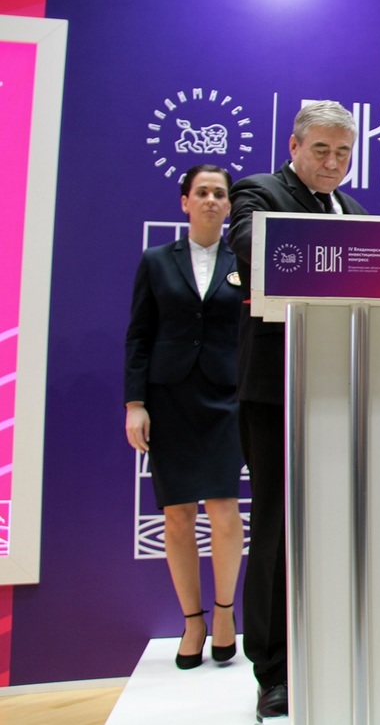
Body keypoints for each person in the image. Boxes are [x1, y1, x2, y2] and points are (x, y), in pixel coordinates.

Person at [228, 101, 368, 722]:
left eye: (343, 152)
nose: (333, 163)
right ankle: (274, 669)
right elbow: (252, 250)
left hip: (345, 389)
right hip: (276, 390)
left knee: (340, 525)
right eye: (322, 150)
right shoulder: (259, 192)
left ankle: (330, 650)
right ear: (294, 146)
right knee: (278, 528)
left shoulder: (357, 212)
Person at [124, 164, 245, 670]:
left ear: (229, 205)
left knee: (224, 508)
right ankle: (192, 621)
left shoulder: (243, 262)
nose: (212, 200)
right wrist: (135, 404)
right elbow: (139, 336)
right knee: (177, 514)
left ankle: (225, 613)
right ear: (185, 201)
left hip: (226, 398)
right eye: (203, 192)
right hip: (169, 397)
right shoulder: (156, 260)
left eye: (220, 193)